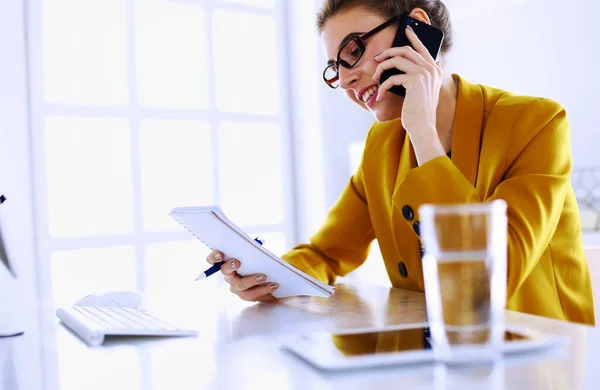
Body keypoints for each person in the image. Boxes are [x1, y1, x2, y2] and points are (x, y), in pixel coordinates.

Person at [206, 0, 595, 325]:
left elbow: (490, 281)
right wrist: (264, 276)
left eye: (354, 50)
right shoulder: (382, 145)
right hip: (429, 356)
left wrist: (423, 132)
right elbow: (326, 254)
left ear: (416, 28)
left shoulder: (536, 122)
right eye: (335, 67)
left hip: (540, 360)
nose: (345, 80)